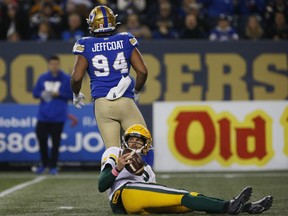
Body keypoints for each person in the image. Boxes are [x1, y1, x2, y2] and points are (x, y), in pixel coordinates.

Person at [98, 124, 273, 215]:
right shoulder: (115, 152)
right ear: (125, 141)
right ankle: (230, 205)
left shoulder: (149, 171)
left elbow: (150, 194)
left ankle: (245, 207)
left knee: (188, 202)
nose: (134, 143)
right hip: (124, 195)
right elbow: (101, 185)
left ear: (146, 145)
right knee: (182, 195)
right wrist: (118, 167)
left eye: (139, 140)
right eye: (131, 139)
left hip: (139, 206)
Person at [70, 6, 147, 151]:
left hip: (102, 103)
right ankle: (142, 174)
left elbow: (76, 78)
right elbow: (142, 71)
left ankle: (110, 172)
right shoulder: (125, 39)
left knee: (112, 153)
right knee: (141, 147)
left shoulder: (85, 44)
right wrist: (136, 90)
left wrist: (75, 93)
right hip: (125, 101)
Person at [32, 55, 73, 175]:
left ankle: (53, 166)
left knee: (56, 142)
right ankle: (44, 164)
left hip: (58, 116)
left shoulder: (65, 78)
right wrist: (43, 94)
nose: (54, 66)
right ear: (49, 65)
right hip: (43, 115)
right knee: (42, 140)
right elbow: (35, 93)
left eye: (56, 64)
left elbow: (71, 95)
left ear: (59, 64)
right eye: (52, 64)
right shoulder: (43, 77)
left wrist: (58, 94)